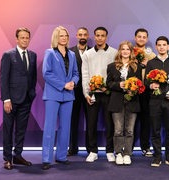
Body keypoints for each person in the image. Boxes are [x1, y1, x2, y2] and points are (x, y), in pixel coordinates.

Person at [41, 26, 79, 170]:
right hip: (53, 94)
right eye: (61, 35)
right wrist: (63, 85)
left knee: (65, 127)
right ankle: (46, 159)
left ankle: (62, 156)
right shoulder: (49, 53)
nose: (64, 38)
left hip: (68, 96)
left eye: (66, 35)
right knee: (50, 127)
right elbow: (46, 73)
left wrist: (73, 82)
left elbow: (76, 73)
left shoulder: (72, 54)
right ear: (56, 37)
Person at [0, 27, 37, 170]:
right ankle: (7, 158)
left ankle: (18, 155)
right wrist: (6, 99)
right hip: (11, 100)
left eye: (27, 37)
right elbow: (3, 79)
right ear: (16, 39)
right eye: (22, 37)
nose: (25, 40)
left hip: (26, 99)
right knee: (8, 130)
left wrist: (32, 93)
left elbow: (32, 77)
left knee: (21, 130)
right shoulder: (8, 55)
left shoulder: (32, 55)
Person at [82, 27, 117, 162]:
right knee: (91, 123)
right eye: (98, 35)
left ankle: (109, 150)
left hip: (108, 93)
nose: (100, 38)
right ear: (94, 37)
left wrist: (108, 88)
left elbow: (116, 74)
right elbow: (85, 74)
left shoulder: (114, 53)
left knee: (110, 123)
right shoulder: (88, 54)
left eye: (103, 35)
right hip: (92, 94)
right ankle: (92, 151)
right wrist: (86, 93)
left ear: (106, 37)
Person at [145, 36, 169, 167]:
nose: (161, 47)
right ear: (156, 47)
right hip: (154, 101)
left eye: (164, 45)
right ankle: (157, 157)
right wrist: (150, 86)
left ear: (167, 47)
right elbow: (146, 81)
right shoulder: (151, 63)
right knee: (155, 130)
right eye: (159, 45)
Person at [106, 41, 143, 165]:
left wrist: (132, 88)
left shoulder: (136, 66)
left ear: (131, 51)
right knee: (118, 130)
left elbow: (140, 84)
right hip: (116, 101)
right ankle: (119, 153)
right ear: (120, 51)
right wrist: (119, 85)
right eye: (123, 49)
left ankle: (127, 153)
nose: (125, 51)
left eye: (128, 49)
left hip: (132, 102)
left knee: (129, 130)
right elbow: (109, 84)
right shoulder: (112, 66)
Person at [68, 27, 91, 156]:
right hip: (74, 91)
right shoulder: (70, 51)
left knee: (90, 120)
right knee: (73, 120)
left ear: (87, 36)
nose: (82, 36)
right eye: (80, 34)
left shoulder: (93, 52)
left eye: (85, 34)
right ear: (76, 36)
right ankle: (73, 148)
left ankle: (90, 148)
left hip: (89, 90)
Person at [133, 28, 156, 157]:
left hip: (147, 92)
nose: (141, 39)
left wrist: (148, 64)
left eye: (144, 37)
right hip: (132, 90)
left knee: (146, 121)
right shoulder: (128, 53)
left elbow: (155, 73)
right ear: (135, 38)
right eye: (139, 36)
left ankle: (145, 147)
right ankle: (128, 147)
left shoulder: (151, 55)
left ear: (146, 39)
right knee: (130, 120)